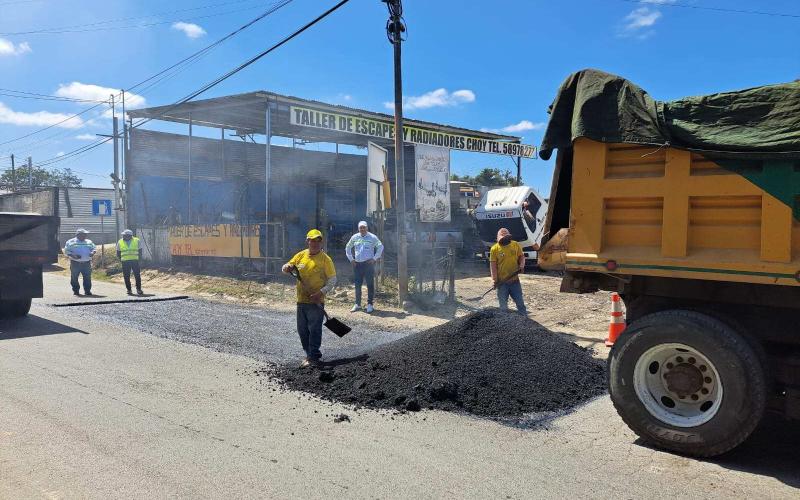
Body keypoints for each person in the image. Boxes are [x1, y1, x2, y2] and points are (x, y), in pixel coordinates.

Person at [282, 229, 337, 368]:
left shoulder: (325, 259)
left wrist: (321, 293)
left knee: (314, 329)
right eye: (312, 240)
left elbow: (332, 280)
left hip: (316, 301)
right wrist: (287, 267)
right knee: (302, 330)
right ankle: (308, 354)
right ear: (307, 241)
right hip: (301, 301)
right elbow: (286, 267)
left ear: (321, 242)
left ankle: (314, 356)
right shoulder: (300, 255)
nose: (315, 243)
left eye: (317, 240)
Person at [345, 220, 384, 313]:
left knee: (370, 285)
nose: (362, 229)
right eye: (360, 228)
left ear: (367, 228)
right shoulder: (354, 237)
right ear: (358, 229)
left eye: (364, 227)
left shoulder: (372, 237)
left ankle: (370, 304)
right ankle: (357, 304)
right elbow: (347, 247)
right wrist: (351, 259)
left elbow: (380, 247)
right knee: (357, 285)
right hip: (357, 264)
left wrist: (374, 258)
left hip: (368, 264)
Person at [489, 228, 527, 315]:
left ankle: (525, 321)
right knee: (503, 307)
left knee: (520, 304)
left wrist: (522, 265)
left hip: (515, 282)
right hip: (502, 284)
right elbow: (493, 266)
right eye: (503, 238)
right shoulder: (494, 249)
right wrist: (494, 280)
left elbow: (521, 256)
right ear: (498, 238)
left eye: (506, 237)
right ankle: (504, 325)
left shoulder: (515, 244)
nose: (505, 239)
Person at [64, 228, 96, 296]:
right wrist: (74, 256)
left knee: (87, 278)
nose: (85, 236)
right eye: (84, 234)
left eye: (86, 234)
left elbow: (94, 248)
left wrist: (92, 253)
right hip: (75, 263)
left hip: (87, 263)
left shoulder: (89, 241)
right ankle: (76, 291)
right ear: (78, 235)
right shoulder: (71, 241)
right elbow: (67, 251)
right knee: (74, 278)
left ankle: (87, 291)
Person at [116, 229, 144, 296]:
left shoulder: (137, 240)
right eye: (123, 235)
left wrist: (139, 260)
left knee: (137, 275)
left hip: (135, 261)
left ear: (129, 236)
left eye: (124, 235)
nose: (123, 236)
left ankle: (139, 289)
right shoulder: (120, 241)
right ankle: (129, 290)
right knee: (126, 276)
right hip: (125, 262)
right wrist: (121, 259)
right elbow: (118, 252)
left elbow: (140, 251)